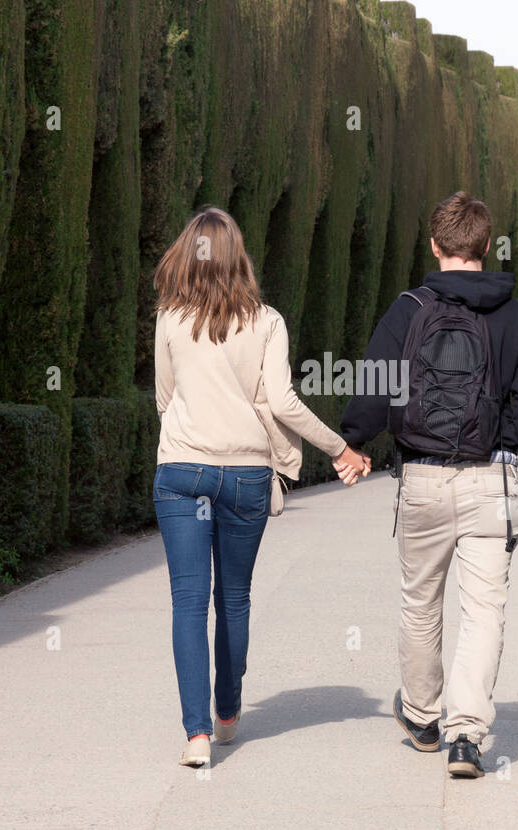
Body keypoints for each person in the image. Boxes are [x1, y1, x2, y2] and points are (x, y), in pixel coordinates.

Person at [339, 191, 518, 778]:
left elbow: (377, 385)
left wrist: (354, 443)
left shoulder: (408, 309)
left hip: (423, 481)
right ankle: (466, 737)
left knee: (420, 601)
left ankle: (422, 714)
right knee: (484, 609)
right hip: (493, 481)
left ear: (435, 247)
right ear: (487, 246)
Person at [152, 207, 370, 767]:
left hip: (181, 473)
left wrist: (190, 437)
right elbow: (282, 402)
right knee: (234, 599)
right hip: (247, 475)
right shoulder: (267, 320)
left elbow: (164, 397)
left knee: (187, 602)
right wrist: (340, 448)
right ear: (238, 256)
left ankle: (196, 735)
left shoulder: (171, 316)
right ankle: (227, 713)